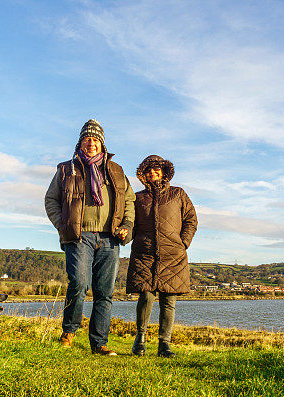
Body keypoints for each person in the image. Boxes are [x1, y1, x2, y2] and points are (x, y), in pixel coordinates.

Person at [44, 119, 135, 355]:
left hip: (109, 238)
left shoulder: (116, 171)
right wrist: (62, 226)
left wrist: (127, 224)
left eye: (95, 139)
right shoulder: (66, 169)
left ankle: (99, 343)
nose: (91, 143)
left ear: (102, 144)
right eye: (87, 139)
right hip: (79, 236)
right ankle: (69, 332)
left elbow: (129, 201)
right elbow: (51, 201)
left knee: (104, 292)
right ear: (80, 143)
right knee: (79, 283)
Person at [126, 155, 197, 357]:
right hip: (144, 254)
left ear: (165, 172)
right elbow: (131, 223)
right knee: (146, 296)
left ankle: (164, 344)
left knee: (168, 300)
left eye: (156, 169)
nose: (153, 173)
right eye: (148, 170)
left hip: (173, 255)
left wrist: (183, 243)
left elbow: (191, 219)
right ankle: (139, 340)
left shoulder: (178, 194)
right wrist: (123, 234)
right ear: (143, 174)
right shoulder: (138, 198)